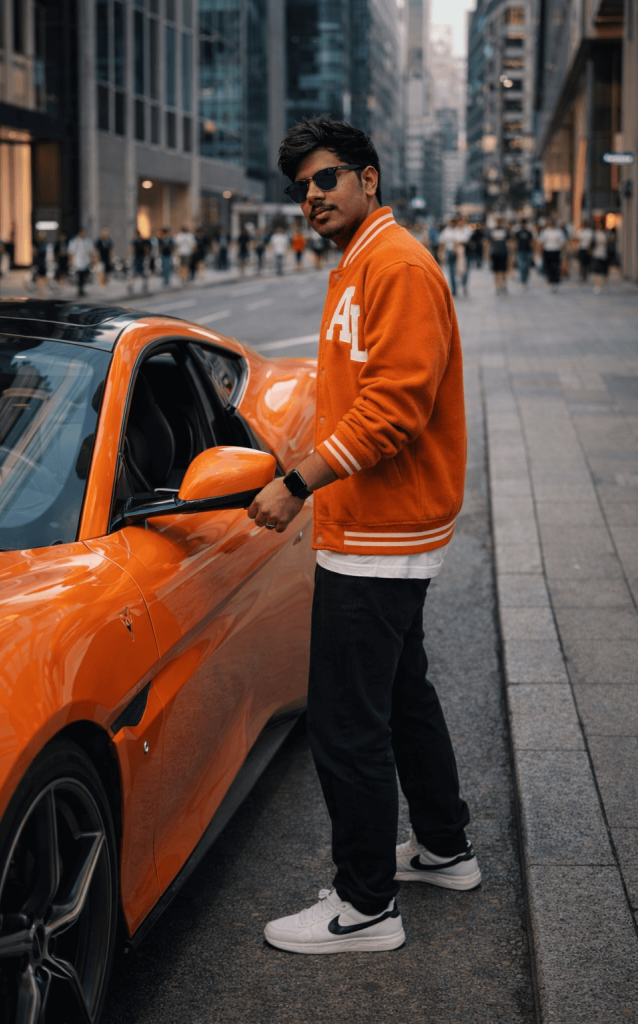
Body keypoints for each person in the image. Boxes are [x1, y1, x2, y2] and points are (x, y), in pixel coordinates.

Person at [249, 114, 479, 956]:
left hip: (381, 527)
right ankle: (445, 849)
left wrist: (297, 481)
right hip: (378, 522)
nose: (310, 197)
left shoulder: (395, 264)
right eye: (300, 188)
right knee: (399, 692)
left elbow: (396, 406)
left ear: (368, 178)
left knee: (347, 722)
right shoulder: (358, 262)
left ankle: (364, 908)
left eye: (325, 180)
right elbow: (354, 389)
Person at [537, 217, 566, 291]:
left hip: (556, 250)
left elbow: (562, 242)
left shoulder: (558, 231)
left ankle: (555, 280)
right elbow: (541, 242)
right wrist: (539, 252)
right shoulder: (545, 232)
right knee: (548, 267)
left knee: (555, 266)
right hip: (547, 250)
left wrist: (564, 252)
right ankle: (550, 280)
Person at [68, 229, 94, 297]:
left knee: (85, 276)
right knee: (79, 277)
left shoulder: (87, 241)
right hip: (77, 262)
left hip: (86, 261)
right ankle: (80, 290)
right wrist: (71, 262)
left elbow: (90, 251)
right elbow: (71, 252)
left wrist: (92, 260)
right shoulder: (74, 241)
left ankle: (82, 289)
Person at [487, 217, 510, 294]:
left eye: (500, 221)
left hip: (503, 253)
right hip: (495, 253)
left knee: (503, 271)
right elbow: (488, 242)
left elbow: (510, 241)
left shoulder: (505, 230)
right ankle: (497, 286)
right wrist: (487, 253)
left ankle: (503, 285)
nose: (498, 222)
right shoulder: (492, 231)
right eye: (497, 221)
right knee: (496, 271)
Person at [590, 215, 610, 294]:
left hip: (605, 254)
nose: (598, 226)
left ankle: (603, 284)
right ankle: (597, 285)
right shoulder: (594, 234)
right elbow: (592, 244)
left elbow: (610, 242)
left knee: (604, 271)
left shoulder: (606, 233)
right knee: (597, 270)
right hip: (597, 253)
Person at [514, 219, 534, 288]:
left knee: (527, 267)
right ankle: (523, 280)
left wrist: (533, 252)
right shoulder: (518, 232)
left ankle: (525, 279)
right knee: (522, 266)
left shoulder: (529, 232)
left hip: (528, 251)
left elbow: (531, 242)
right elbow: (515, 242)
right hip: (520, 251)